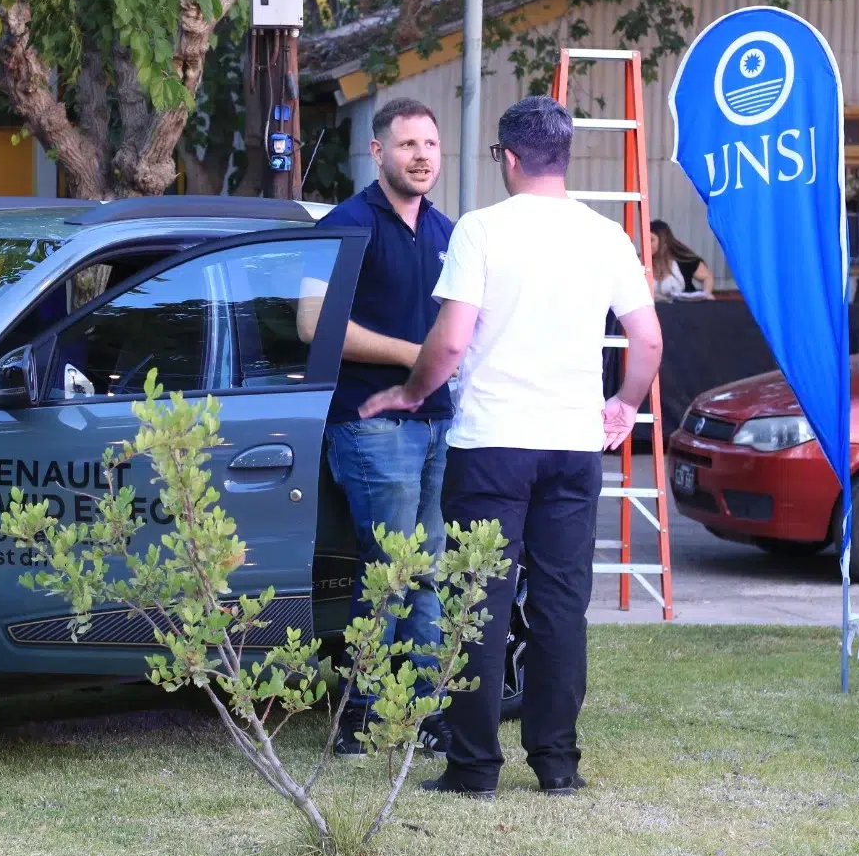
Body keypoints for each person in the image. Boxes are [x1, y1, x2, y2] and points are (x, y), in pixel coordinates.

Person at [360, 95, 663, 798]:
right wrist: (621, 405)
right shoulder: (604, 234)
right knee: (561, 603)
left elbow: (454, 338)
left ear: (510, 157)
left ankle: (473, 766)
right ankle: (557, 765)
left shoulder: (481, 230)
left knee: (479, 600)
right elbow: (647, 339)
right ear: (564, 156)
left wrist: (411, 390)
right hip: (571, 443)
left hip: (492, 442)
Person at [296, 97, 455, 760]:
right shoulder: (344, 225)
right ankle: (360, 715)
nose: (421, 156)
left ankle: (425, 710)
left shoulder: (451, 232)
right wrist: (410, 355)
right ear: (378, 152)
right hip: (371, 426)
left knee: (428, 572)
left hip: (438, 422)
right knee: (388, 569)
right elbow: (312, 323)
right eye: (408, 144)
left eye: (430, 145)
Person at [650, 219, 714, 300]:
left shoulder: (683, 262)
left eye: (651, 240)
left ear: (664, 241)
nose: (647, 243)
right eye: (644, 239)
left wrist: (706, 294)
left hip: (684, 309)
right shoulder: (637, 263)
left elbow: (707, 277)